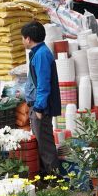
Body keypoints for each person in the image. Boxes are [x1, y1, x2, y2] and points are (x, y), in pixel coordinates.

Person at [22, 21, 61, 175]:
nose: (22, 41)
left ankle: (54, 179)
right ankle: (47, 177)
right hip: (37, 105)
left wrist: (39, 108)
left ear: (28, 38)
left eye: (22, 38)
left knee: (46, 146)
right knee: (42, 143)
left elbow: (44, 83)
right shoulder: (38, 53)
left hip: (41, 108)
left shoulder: (41, 54)